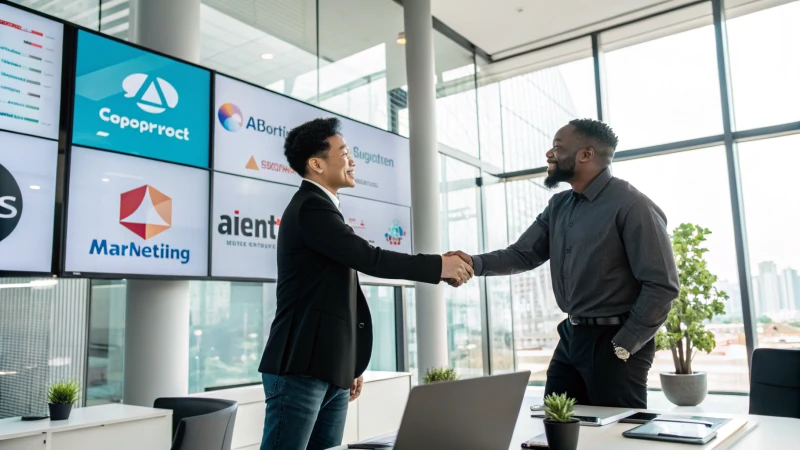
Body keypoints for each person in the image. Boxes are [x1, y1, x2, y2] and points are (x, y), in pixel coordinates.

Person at [258, 117, 472, 450]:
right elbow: (369, 258)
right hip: (300, 368)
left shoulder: (324, 209)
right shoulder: (311, 208)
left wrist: (349, 362)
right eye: (343, 151)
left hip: (329, 369)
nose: (352, 159)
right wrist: (440, 266)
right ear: (316, 164)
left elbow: (335, 298)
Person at [446, 119, 679, 409]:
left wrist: (626, 343)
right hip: (572, 336)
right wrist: (473, 262)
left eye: (557, 147)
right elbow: (523, 254)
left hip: (615, 339)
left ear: (586, 155)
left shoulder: (632, 204)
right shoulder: (559, 206)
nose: (549, 154)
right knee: (557, 424)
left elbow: (662, 285)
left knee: (615, 435)